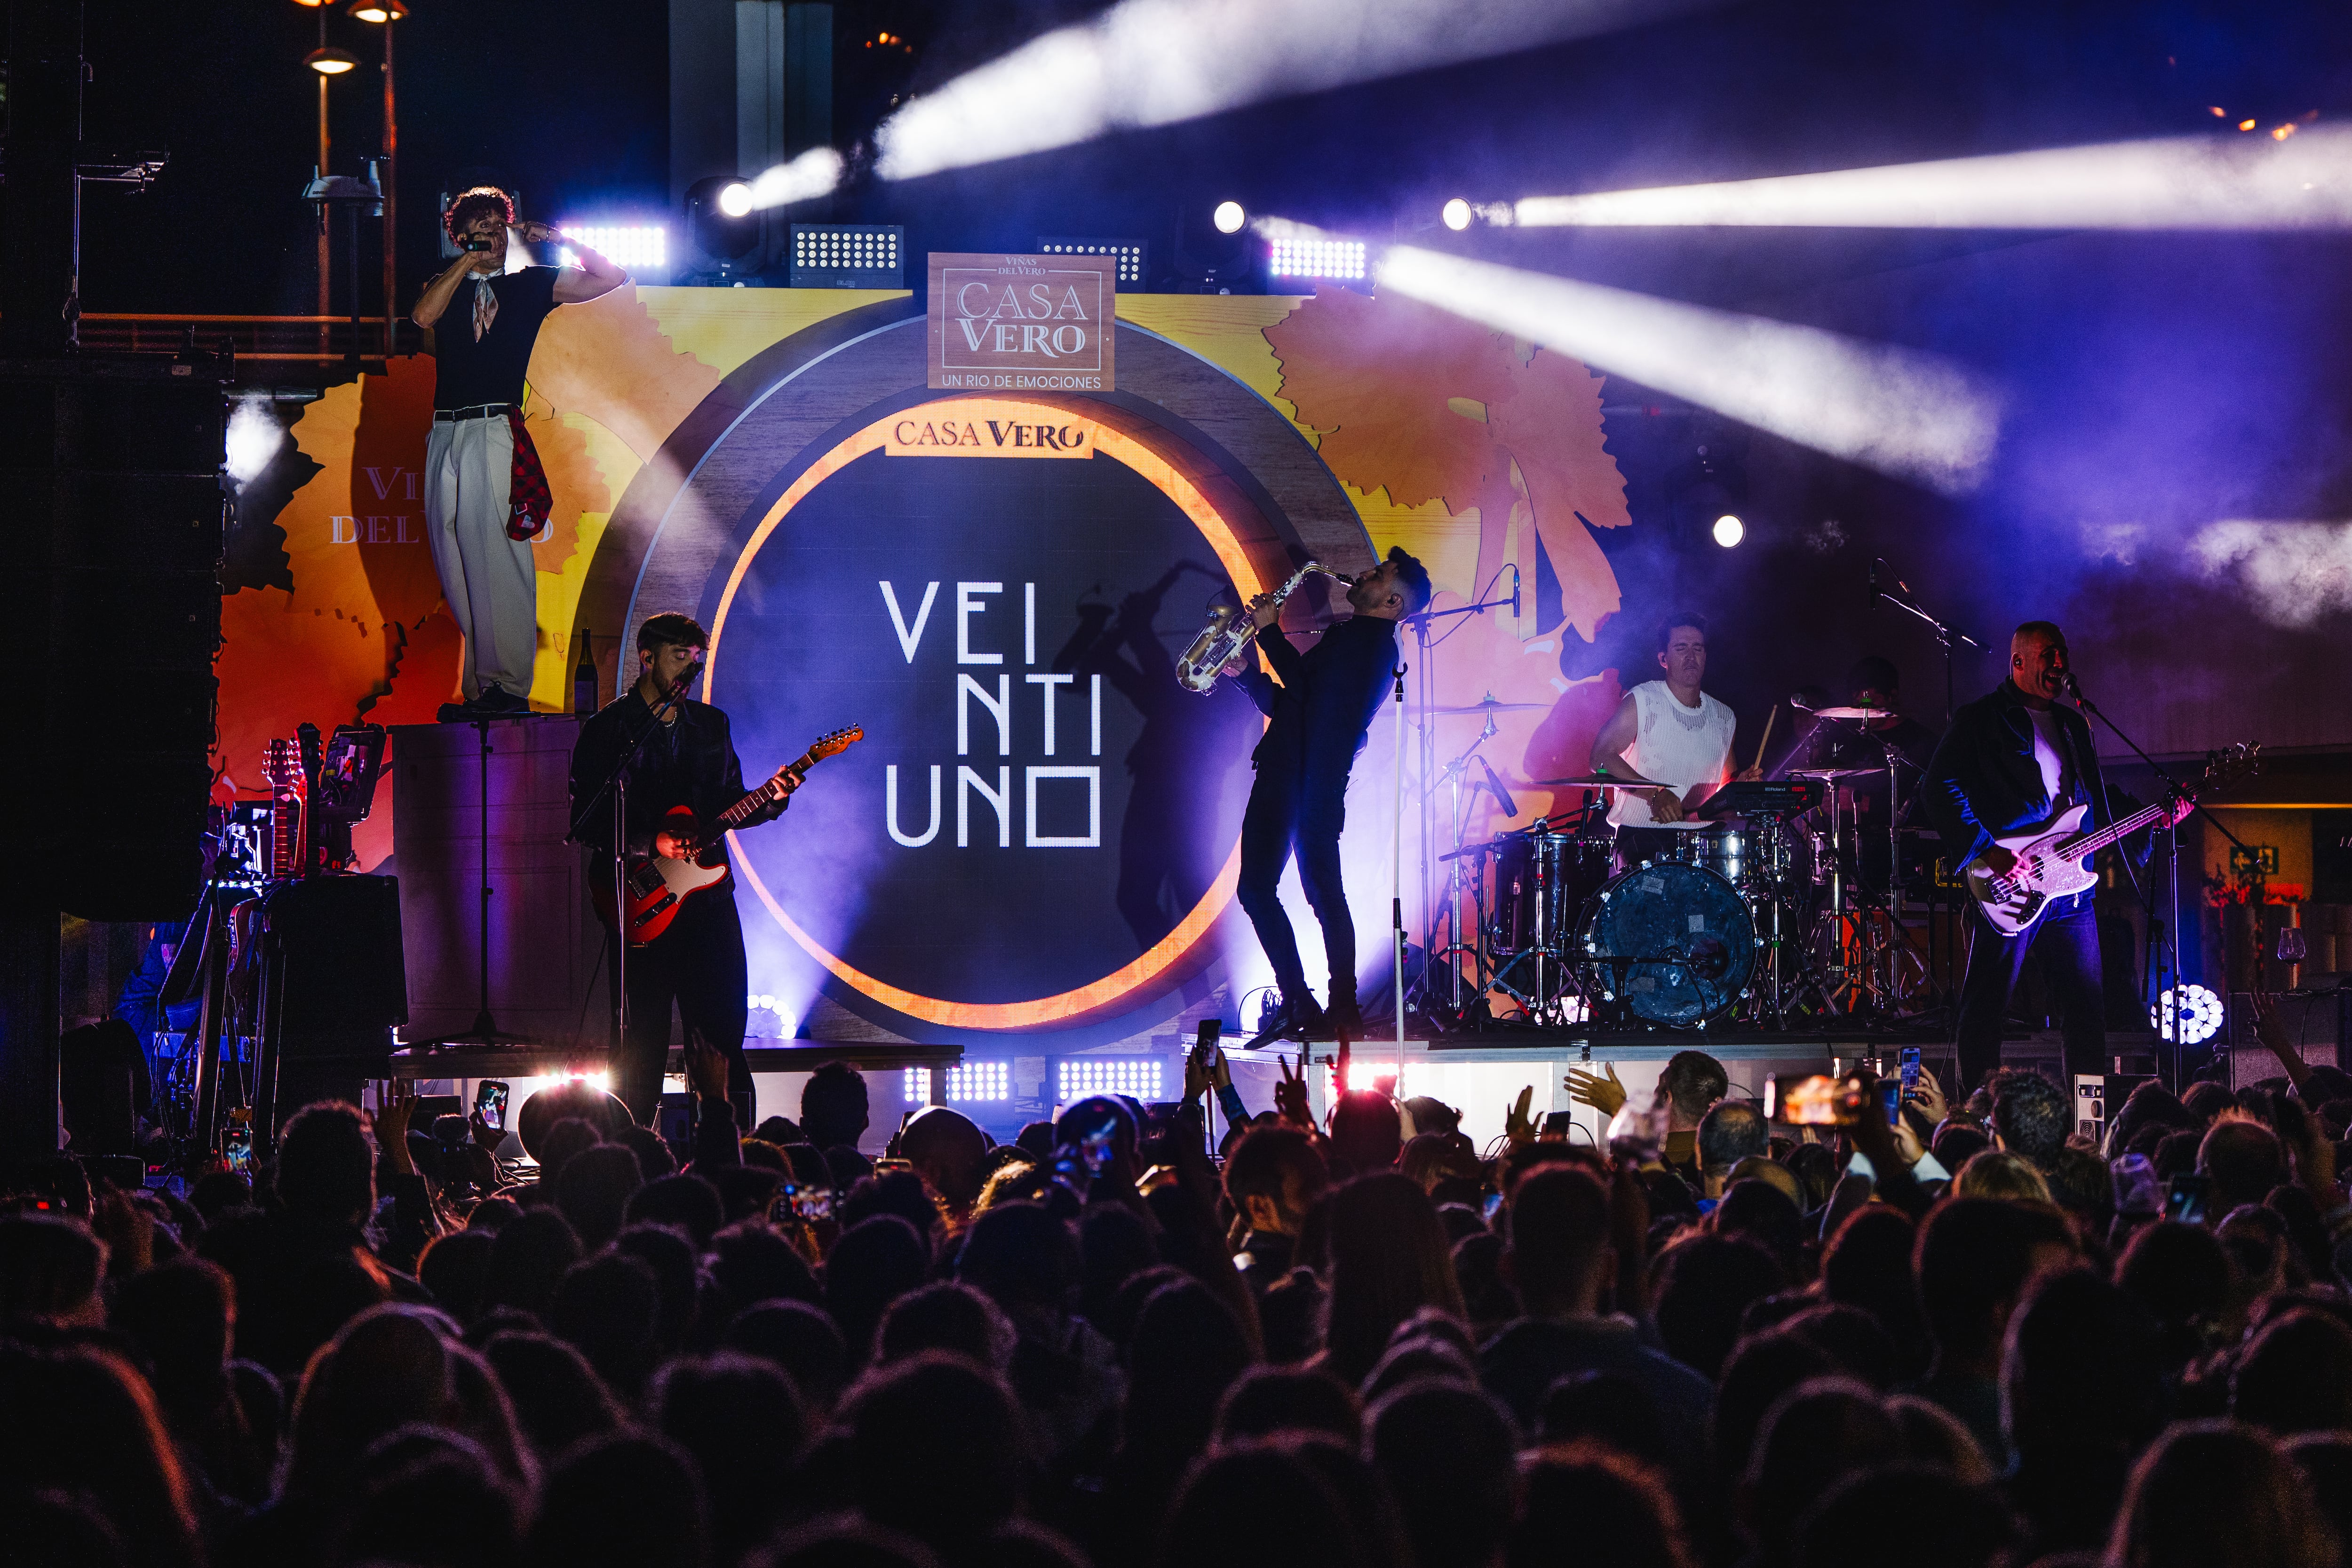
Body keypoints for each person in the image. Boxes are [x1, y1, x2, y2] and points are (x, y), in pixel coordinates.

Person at [1922, 621, 2185, 1089]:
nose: (2058, 664)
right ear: (2018, 661)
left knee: (2086, 1009)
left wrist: (2154, 819)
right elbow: (1937, 784)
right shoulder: (1981, 718)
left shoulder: (2072, 724)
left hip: (2068, 892)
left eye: (2061, 654)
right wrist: (1986, 848)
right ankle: (1978, 1115)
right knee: (1986, 1005)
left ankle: (2088, 1117)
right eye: (2047, 655)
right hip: (2007, 880)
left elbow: (2096, 802)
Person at [569, 612, 792, 1126]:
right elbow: (586, 822)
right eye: (679, 658)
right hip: (641, 903)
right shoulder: (609, 731)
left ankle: (730, 1147)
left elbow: (728, 804)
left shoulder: (711, 726)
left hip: (709, 903)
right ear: (646, 658)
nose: (690, 671)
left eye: (697, 660)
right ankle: (630, 1153)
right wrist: (654, 842)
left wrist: (771, 800)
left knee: (720, 1033)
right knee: (638, 1042)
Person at [412, 186, 624, 717]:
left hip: (492, 425)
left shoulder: (531, 285)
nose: (493, 239)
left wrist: (555, 237)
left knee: (497, 552)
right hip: (446, 431)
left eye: (498, 228)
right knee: (453, 552)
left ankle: (509, 683)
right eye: (480, 228)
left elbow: (610, 277)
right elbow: (422, 317)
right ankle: (483, 686)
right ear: (460, 235)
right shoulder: (448, 286)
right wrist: (467, 261)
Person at [1231, 547, 1431, 1042]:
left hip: (1304, 778)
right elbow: (1297, 703)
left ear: (1392, 602)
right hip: (1295, 773)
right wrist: (1247, 679)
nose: (1364, 573)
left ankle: (1327, 1005)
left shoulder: (1371, 646)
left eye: (1379, 574)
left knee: (1300, 892)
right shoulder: (1354, 638)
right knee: (1295, 891)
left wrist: (1269, 631)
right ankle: (1316, 1004)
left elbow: (1305, 691)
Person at [1589, 612, 1759, 866]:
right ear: (1663, 659)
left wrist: (1740, 786)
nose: (1691, 657)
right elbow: (1600, 757)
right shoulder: (1643, 701)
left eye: (1698, 649)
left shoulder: (1724, 717)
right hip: (1642, 841)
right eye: (1681, 648)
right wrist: (1656, 794)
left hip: (1702, 842)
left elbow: (1725, 785)